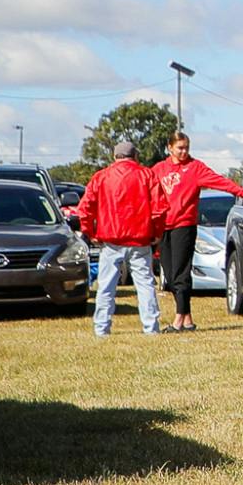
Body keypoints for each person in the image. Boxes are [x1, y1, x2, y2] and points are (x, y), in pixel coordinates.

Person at [148, 132, 243, 331]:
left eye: (186, 147)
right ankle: (187, 318)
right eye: (180, 148)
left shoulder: (195, 168)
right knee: (170, 276)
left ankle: (179, 320)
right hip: (164, 226)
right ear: (170, 147)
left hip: (184, 225)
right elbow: (145, 191)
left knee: (181, 272)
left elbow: (219, 181)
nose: (183, 152)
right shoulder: (158, 169)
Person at [79, 139, 164, 337]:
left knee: (106, 286)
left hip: (111, 240)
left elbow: (85, 208)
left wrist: (90, 233)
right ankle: (151, 328)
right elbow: (159, 209)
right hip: (140, 239)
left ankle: (102, 328)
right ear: (135, 156)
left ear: (114, 157)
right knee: (145, 285)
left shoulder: (101, 177)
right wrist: (156, 233)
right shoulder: (147, 175)